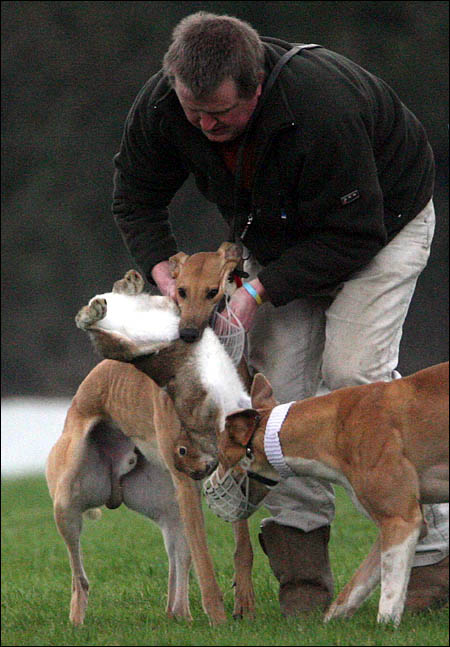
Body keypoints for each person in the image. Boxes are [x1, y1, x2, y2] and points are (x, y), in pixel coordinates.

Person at [112, 12, 448, 615]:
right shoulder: (164, 105)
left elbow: (354, 233)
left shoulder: (323, 107)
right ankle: (301, 568)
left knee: (353, 375)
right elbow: (134, 197)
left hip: (380, 227)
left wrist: (255, 293)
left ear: (258, 87)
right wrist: (163, 271)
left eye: (221, 114)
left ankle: (430, 554)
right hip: (279, 239)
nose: (206, 126)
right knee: (277, 395)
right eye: (194, 113)